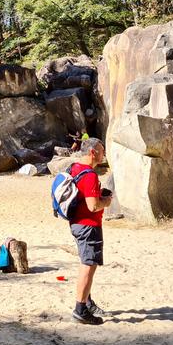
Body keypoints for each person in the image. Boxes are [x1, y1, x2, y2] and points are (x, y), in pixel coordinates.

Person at [69, 138, 113, 325]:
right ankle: (81, 309)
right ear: (93, 152)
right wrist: (107, 201)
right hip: (88, 226)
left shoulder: (75, 168)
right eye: (102, 151)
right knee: (89, 264)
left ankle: (87, 301)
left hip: (77, 224)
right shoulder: (90, 175)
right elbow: (93, 206)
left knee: (86, 262)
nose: (104, 154)